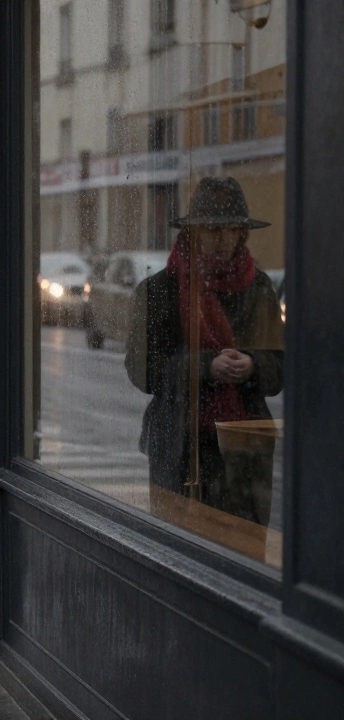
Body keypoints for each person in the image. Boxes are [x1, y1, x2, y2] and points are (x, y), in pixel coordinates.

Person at [125, 176, 284, 525]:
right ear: (194, 232)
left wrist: (254, 364)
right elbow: (141, 369)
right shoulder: (159, 291)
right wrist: (205, 367)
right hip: (181, 450)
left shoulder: (259, 289)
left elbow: (280, 367)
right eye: (214, 229)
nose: (224, 239)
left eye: (232, 230)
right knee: (180, 558)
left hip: (244, 456)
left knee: (244, 559)